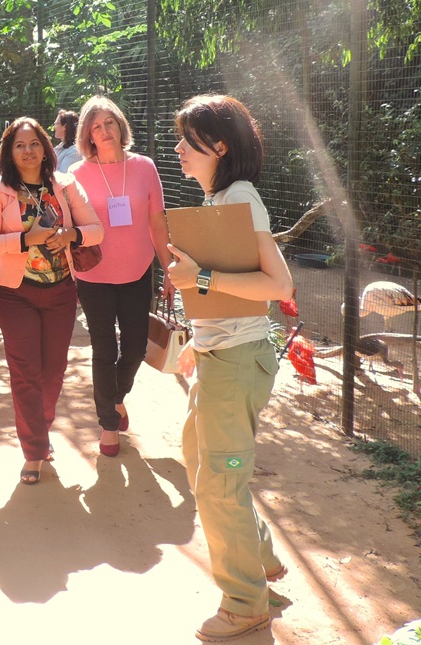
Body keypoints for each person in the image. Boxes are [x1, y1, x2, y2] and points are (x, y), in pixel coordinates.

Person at [166, 94, 292, 641]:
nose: (177, 150)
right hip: (224, 353)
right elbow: (232, 290)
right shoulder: (223, 197)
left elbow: (278, 286)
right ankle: (259, 558)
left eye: (187, 140)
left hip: (237, 360)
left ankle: (244, 603)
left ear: (219, 146)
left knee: (218, 484)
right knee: (201, 456)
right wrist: (200, 338)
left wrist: (200, 281)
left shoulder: (239, 196)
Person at [0, 117, 102, 484]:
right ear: (9, 152)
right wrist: (25, 239)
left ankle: (39, 431)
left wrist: (71, 235)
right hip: (15, 293)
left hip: (62, 290)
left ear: (46, 148)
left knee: (53, 372)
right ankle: (34, 450)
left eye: (34, 144)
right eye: (19, 145)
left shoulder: (64, 185)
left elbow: (97, 230)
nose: (28, 151)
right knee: (26, 372)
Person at [69, 96, 173, 458]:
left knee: (135, 347)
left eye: (109, 122)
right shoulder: (78, 175)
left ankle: (115, 398)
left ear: (120, 126)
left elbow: (157, 223)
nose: (104, 130)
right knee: (103, 348)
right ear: (88, 135)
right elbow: (72, 229)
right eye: (96, 126)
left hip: (137, 272)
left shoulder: (144, 167)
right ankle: (108, 425)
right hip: (94, 277)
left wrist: (169, 269)